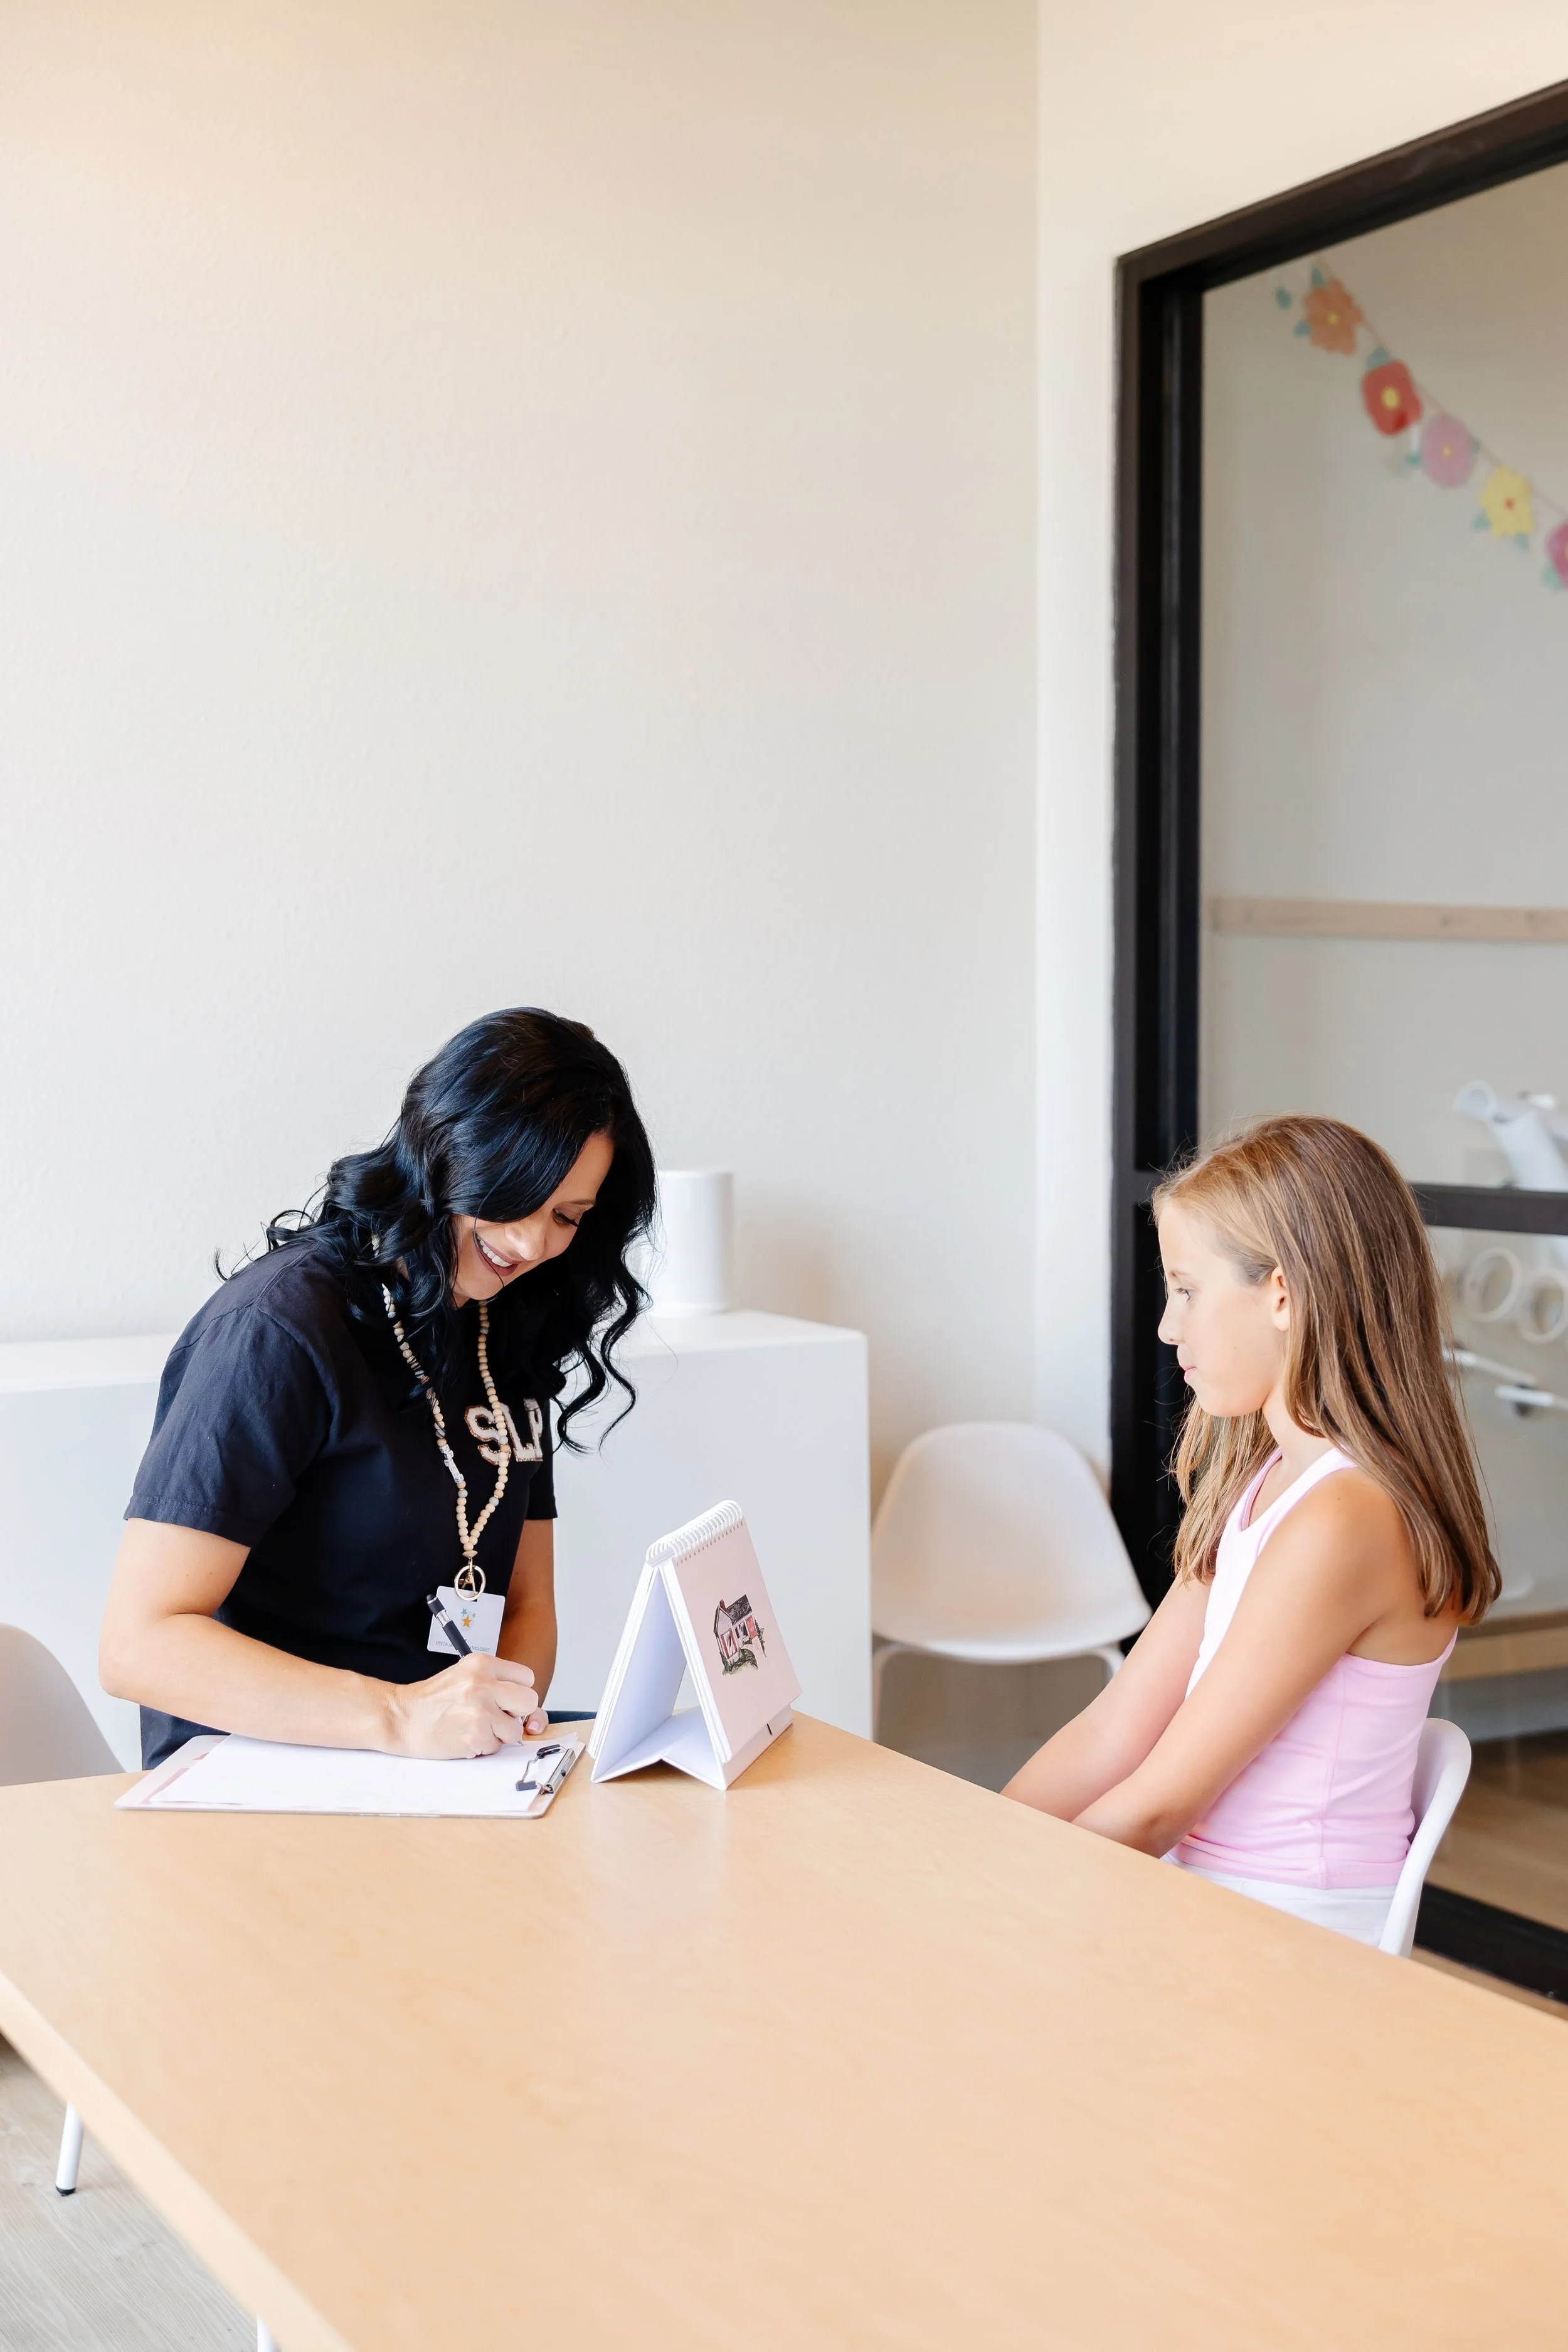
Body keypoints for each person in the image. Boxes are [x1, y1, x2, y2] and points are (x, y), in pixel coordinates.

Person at [101, 1007, 656, 1769]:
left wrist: (504, 1723)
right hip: (262, 1769)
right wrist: (399, 1717)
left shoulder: (505, 1325)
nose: (531, 1245)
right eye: (512, 1196)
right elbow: (139, 1644)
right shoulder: (279, 1328)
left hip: (431, 1772)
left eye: (566, 1217)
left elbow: (526, 1601)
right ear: (444, 1152)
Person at [1004, 1114, 1498, 1946]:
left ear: (1281, 1294)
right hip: (1211, 1900)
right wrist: (978, 1845)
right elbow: (1115, 1727)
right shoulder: (1265, 1484)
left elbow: (1164, 1801)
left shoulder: (1347, 1519)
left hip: (1289, 1937)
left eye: (1187, 1289)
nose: (1168, 1326)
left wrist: (996, 1893)